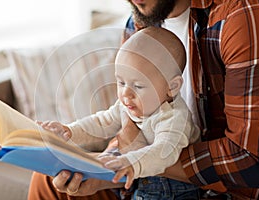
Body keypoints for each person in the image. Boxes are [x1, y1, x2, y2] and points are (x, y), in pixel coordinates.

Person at [28, 0, 259, 199]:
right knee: (49, 179)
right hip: (143, 173)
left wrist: (132, 163)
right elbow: (123, 125)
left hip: (213, 189)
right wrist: (101, 166)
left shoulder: (240, 15)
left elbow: (251, 159)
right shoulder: (141, 19)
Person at [36, 27, 200, 199]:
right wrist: (69, 131)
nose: (126, 94)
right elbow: (101, 122)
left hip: (174, 192)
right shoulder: (130, 104)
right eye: (121, 82)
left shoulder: (174, 118)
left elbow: (164, 152)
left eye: (138, 86)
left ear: (172, 87)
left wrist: (131, 161)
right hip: (138, 183)